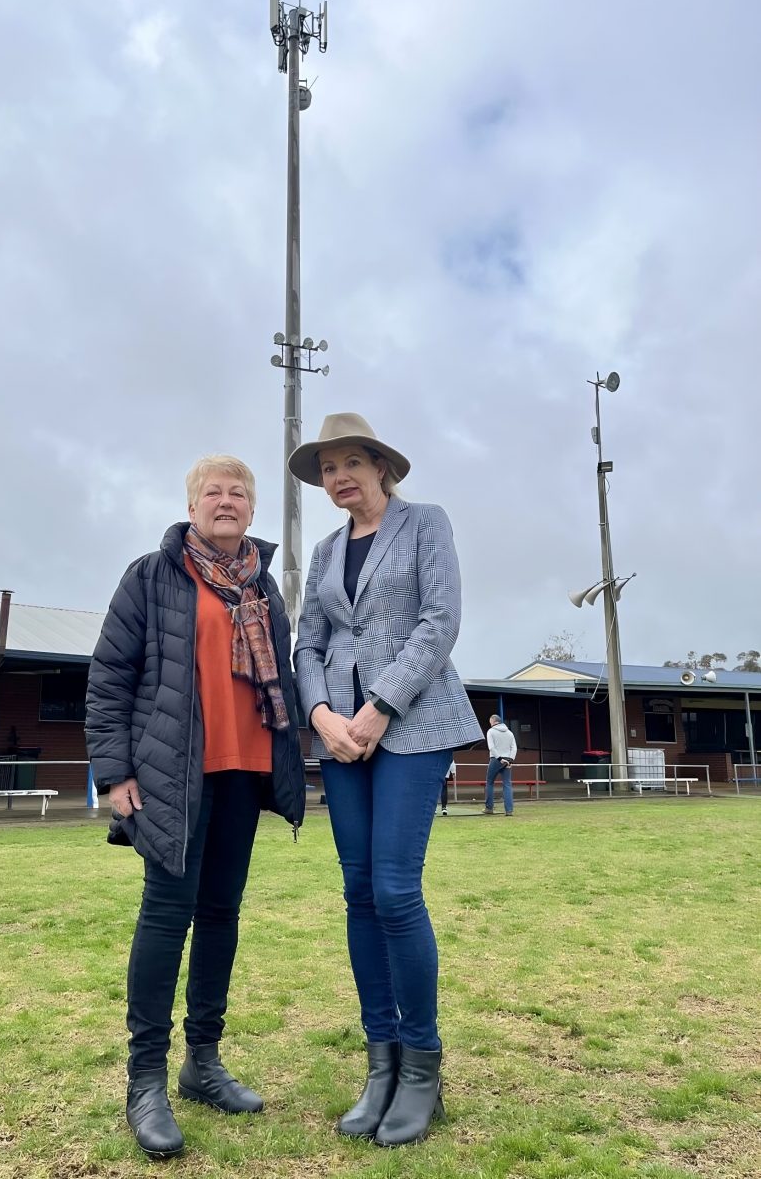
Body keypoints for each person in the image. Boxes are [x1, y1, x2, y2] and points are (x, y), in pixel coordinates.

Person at [85, 456, 306, 1160]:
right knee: (164, 916)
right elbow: (110, 675)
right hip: (171, 779)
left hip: (244, 772)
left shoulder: (263, 585)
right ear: (191, 503)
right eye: (214, 491)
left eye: (239, 492)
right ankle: (144, 1079)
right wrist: (113, 771)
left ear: (251, 508)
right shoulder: (151, 576)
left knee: (220, 916)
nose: (227, 500)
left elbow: (285, 679)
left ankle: (201, 1061)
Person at [290, 413, 483, 1147]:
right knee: (359, 890)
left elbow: (440, 621)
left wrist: (379, 708)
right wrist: (320, 713)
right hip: (340, 737)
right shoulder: (323, 549)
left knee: (397, 888)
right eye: (326, 469)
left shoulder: (426, 524)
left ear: (379, 467)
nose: (338, 478)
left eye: (348, 464)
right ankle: (381, 1065)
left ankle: (423, 1068)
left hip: (413, 724)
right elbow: (309, 641)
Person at [484, 713, 517, 816]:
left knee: (489, 782)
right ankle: (509, 810)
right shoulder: (510, 733)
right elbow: (514, 747)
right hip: (508, 759)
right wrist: (510, 760)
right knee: (507, 784)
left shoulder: (491, 731)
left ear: (493, 721)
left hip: (496, 759)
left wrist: (499, 758)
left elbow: (491, 748)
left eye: (490, 722)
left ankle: (489, 808)